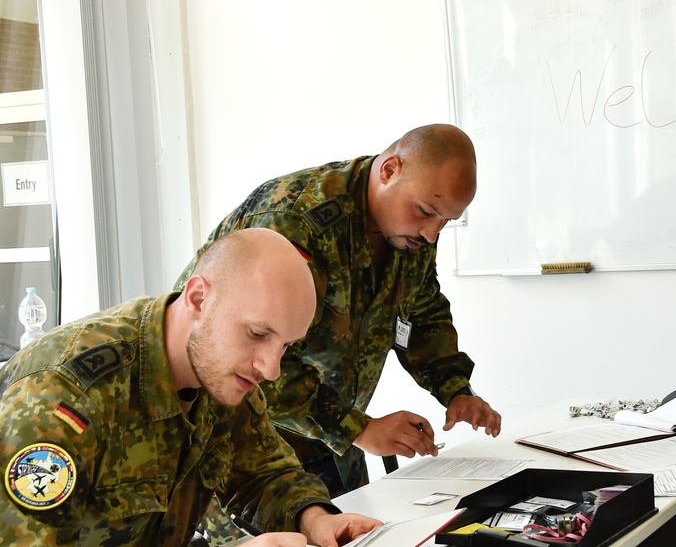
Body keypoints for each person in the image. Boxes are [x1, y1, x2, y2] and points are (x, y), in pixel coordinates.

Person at [176, 123, 502, 496]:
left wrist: (456, 389)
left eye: (446, 221)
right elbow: (252, 354)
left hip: (331, 447)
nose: (431, 233)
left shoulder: (412, 235)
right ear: (389, 170)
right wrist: (359, 429)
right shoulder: (296, 223)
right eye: (426, 211)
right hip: (246, 454)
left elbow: (422, 312)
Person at [0, 228, 381, 547]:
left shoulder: (221, 372)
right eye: (258, 333)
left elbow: (263, 474)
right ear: (198, 299)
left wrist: (315, 519)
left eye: (286, 346)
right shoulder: (63, 396)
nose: (271, 368)